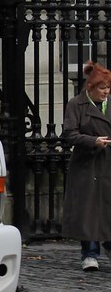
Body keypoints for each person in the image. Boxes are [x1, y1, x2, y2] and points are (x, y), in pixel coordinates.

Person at [61, 61, 111, 271]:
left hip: (107, 164)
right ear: (91, 88)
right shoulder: (76, 105)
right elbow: (69, 134)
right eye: (102, 88)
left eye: (108, 88)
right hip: (87, 165)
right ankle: (89, 253)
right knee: (88, 210)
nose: (106, 92)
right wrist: (93, 141)